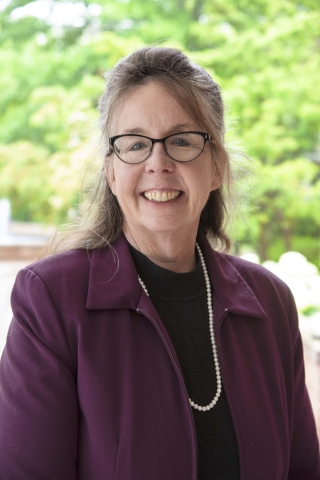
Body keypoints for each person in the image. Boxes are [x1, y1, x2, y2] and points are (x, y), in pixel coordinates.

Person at [0, 47, 319, 480]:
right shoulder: (52, 299)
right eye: (134, 144)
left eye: (182, 141)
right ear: (111, 172)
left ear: (217, 167)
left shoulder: (271, 302)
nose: (158, 163)